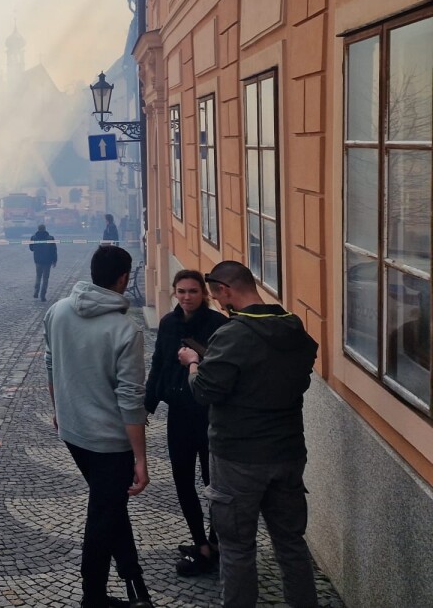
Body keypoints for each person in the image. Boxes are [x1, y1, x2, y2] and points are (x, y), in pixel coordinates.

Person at [177, 260, 319, 608]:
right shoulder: (293, 326)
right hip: (287, 452)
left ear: (226, 290)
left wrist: (193, 364)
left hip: (238, 456)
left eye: (216, 296)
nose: (217, 303)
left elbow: (205, 391)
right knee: (291, 543)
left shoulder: (233, 334)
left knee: (237, 548)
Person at [45, 245, 154, 608]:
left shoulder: (58, 311)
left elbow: (50, 364)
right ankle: (93, 598)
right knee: (102, 517)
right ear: (123, 278)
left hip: (72, 431)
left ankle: (133, 578)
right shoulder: (126, 330)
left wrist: (58, 410)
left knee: (110, 505)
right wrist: (141, 457)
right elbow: (130, 399)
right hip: (110, 442)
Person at [144, 270, 228, 576]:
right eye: (181, 291)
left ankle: (216, 543)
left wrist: (196, 359)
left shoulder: (218, 324)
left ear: (203, 293)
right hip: (178, 412)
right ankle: (200, 543)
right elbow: (158, 363)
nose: (186, 297)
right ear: (174, 292)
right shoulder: (168, 322)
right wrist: (147, 405)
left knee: (212, 481)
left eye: (192, 291)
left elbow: (223, 369)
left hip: (208, 413)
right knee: (182, 479)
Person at [28, 223, 58, 302]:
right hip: (48, 261)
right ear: (45, 229)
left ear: (38, 229)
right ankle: (43, 295)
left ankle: (36, 291)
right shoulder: (50, 238)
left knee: (38, 276)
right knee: (45, 278)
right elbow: (54, 250)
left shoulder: (33, 237)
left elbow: (31, 248)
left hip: (38, 260)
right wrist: (55, 260)